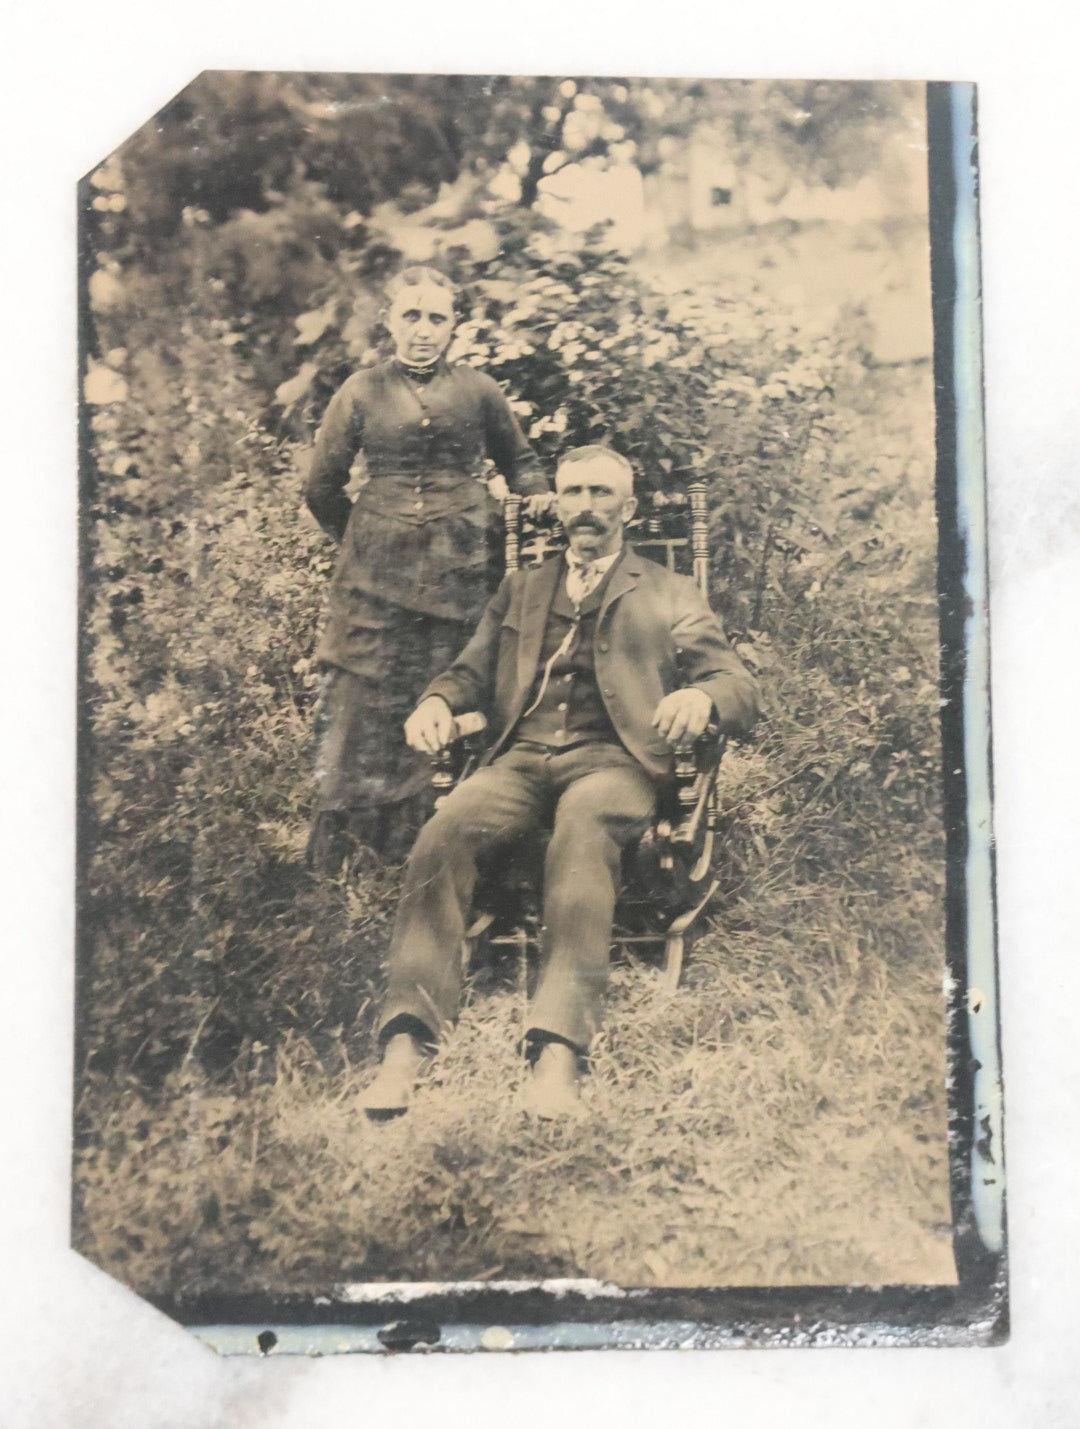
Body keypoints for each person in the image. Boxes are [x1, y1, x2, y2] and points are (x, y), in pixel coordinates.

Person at [360, 445, 760, 1120]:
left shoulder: (666, 591)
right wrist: (436, 702)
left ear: (627, 509)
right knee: (442, 833)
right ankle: (407, 1041)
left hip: (614, 765)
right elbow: (468, 671)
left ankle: (557, 1051)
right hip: (519, 762)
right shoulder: (525, 587)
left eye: (602, 494)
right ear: (557, 506)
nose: (585, 507)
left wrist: (703, 699)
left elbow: (736, 683)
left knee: (582, 834)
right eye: (572, 493)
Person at [303, 266, 548, 867]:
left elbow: (522, 460)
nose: (423, 330)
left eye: (437, 317)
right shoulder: (360, 391)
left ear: (454, 326)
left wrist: (536, 493)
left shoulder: (480, 390)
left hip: (462, 566)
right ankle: (359, 852)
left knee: (450, 684)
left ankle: (453, 845)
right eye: (411, 315)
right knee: (366, 692)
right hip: (372, 575)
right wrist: (361, 538)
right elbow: (321, 486)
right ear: (389, 320)